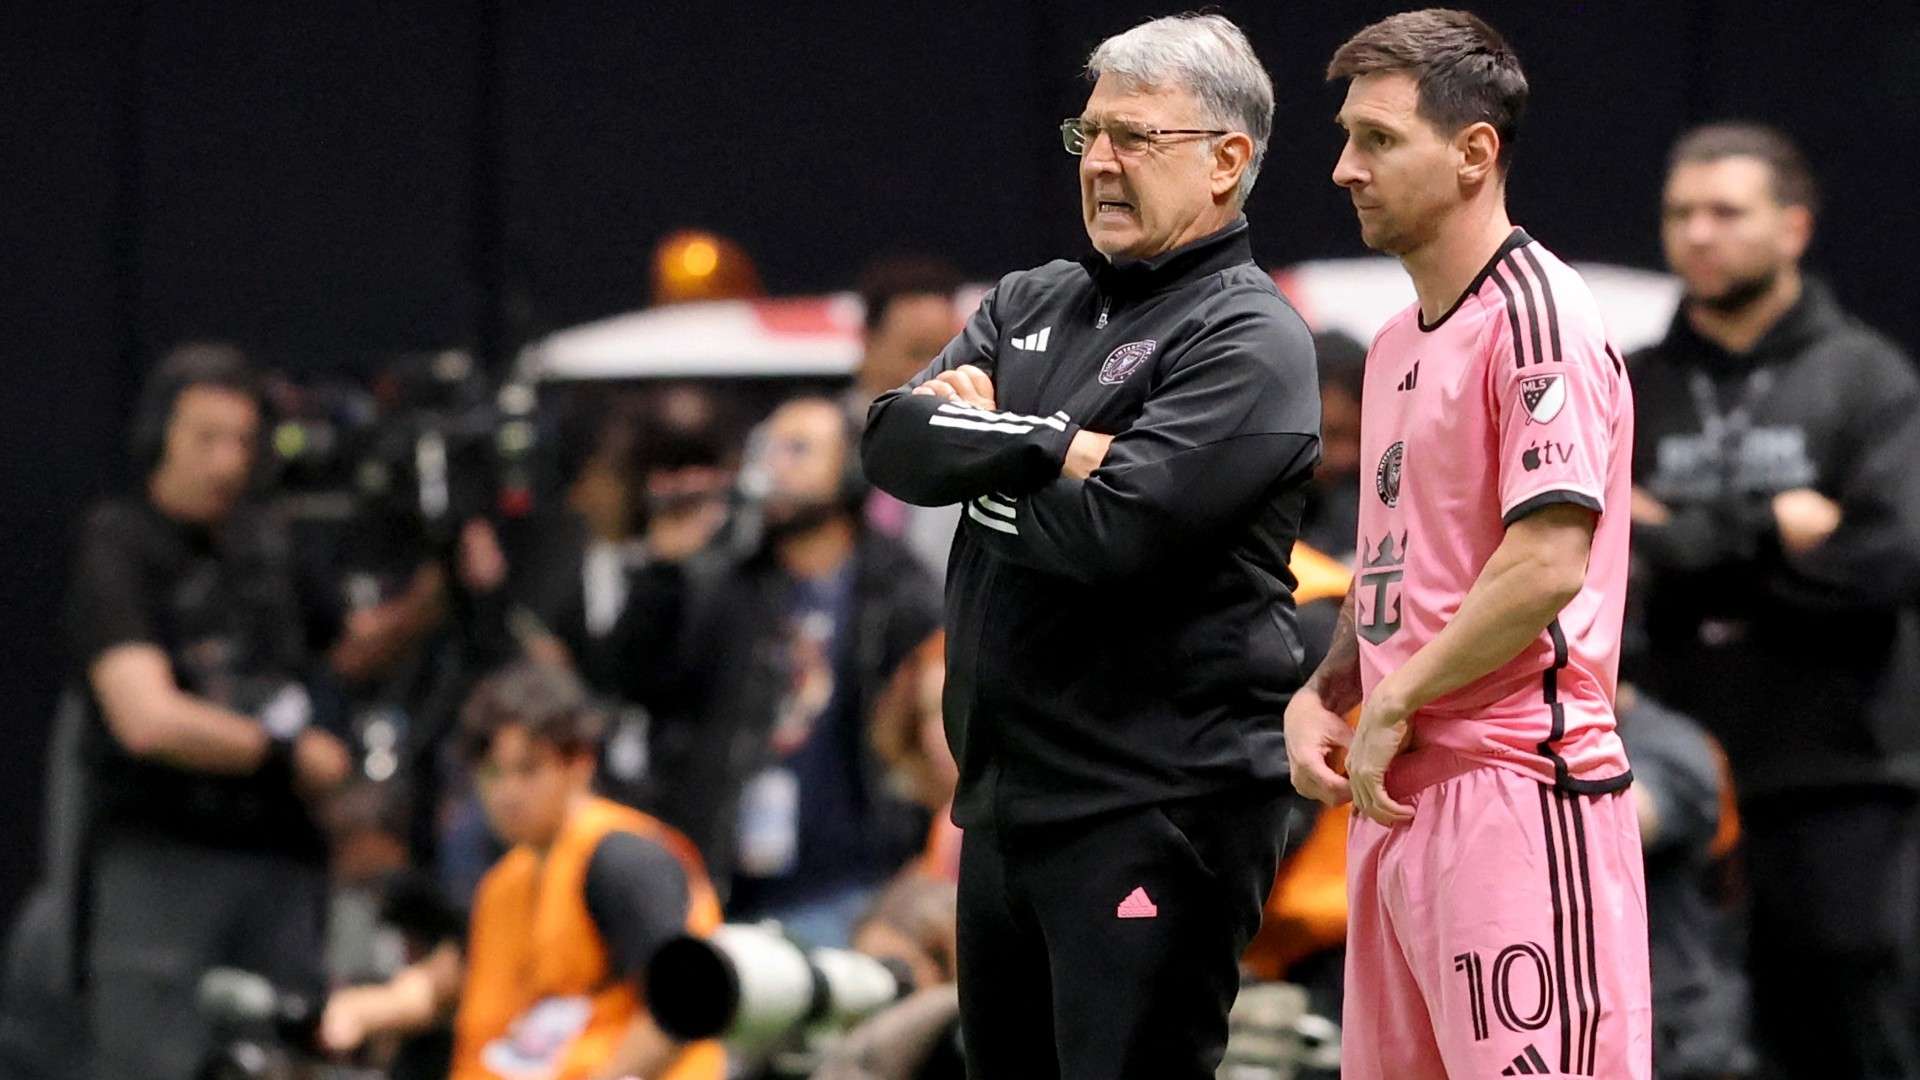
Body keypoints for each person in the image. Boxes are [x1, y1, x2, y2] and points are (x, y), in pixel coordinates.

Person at [862, 14, 1319, 1077]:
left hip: (1154, 808)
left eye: (1137, 138)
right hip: (1008, 805)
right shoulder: (1030, 299)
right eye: (1091, 134)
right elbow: (893, 441)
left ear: (1226, 160)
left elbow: (1120, 533)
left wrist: (980, 458)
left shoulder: (1248, 336)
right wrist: (1055, 445)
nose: (1102, 162)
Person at [1291, 12, 1651, 1078]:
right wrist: (1334, 689)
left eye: (1380, 139)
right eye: (1348, 136)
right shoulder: (1397, 342)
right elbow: (1400, 572)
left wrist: (1396, 700)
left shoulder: (1541, 318)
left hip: (1519, 794)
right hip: (1397, 797)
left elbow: (1545, 562)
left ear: (1474, 152)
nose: (1346, 167)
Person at [1629, 122, 1920, 1080]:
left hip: (1836, 771)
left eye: (1726, 213)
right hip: (1668, 764)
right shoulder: (1630, 386)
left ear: (1793, 227)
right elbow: (1602, 564)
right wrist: (1772, 529)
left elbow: (1884, 564)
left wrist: (1680, 536)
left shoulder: (1868, 379)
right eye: (1681, 214)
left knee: (1843, 1021)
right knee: (1666, 1032)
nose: (1699, 234)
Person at [62, 343, 353, 1079]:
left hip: (279, 865)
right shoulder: (120, 542)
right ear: (160, 436)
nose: (227, 463)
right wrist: (285, 755)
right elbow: (147, 718)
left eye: (242, 443)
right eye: (206, 439)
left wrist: (438, 592)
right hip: (163, 863)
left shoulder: (270, 542)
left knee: (292, 1054)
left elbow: (347, 651)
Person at [318, 660, 726, 1080]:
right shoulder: (506, 879)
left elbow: (682, 1006)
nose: (507, 792)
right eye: (493, 773)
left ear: (579, 764)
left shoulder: (621, 860)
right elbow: (454, 973)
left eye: (528, 769)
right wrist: (365, 1008)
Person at [631, 396, 941, 948]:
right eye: (768, 448)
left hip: (863, 887)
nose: (776, 466)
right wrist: (664, 576)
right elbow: (643, 686)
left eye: (799, 450)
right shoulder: (728, 587)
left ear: (851, 464)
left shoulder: (899, 592)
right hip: (735, 890)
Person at [852, 256, 968, 578]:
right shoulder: (819, 437)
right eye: (917, 352)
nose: (933, 372)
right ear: (868, 341)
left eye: (946, 353)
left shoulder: (975, 449)